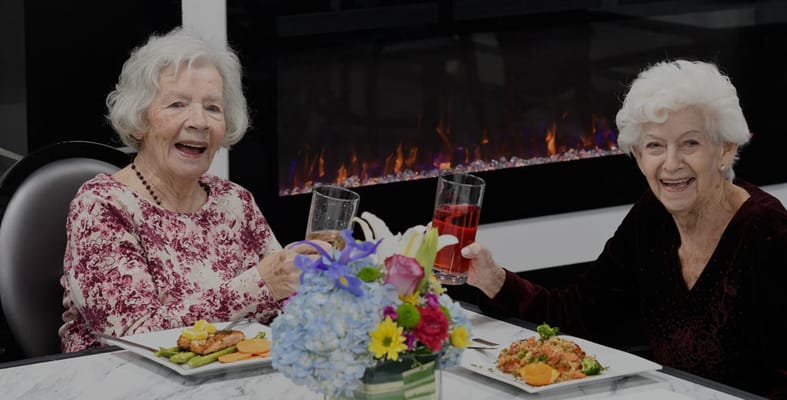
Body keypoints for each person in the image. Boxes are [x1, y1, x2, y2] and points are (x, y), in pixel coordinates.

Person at [462, 60, 787, 398]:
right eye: (655, 146)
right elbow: (578, 315)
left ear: (726, 148)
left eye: (690, 143)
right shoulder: (652, 215)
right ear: (638, 155)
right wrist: (493, 278)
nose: (672, 163)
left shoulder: (766, 231)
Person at [59, 27, 326, 352]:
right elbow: (134, 335)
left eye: (213, 108)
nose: (199, 121)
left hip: (236, 379)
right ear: (141, 118)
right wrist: (258, 286)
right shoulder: (102, 206)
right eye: (177, 105)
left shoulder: (235, 201)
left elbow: (288, 297)